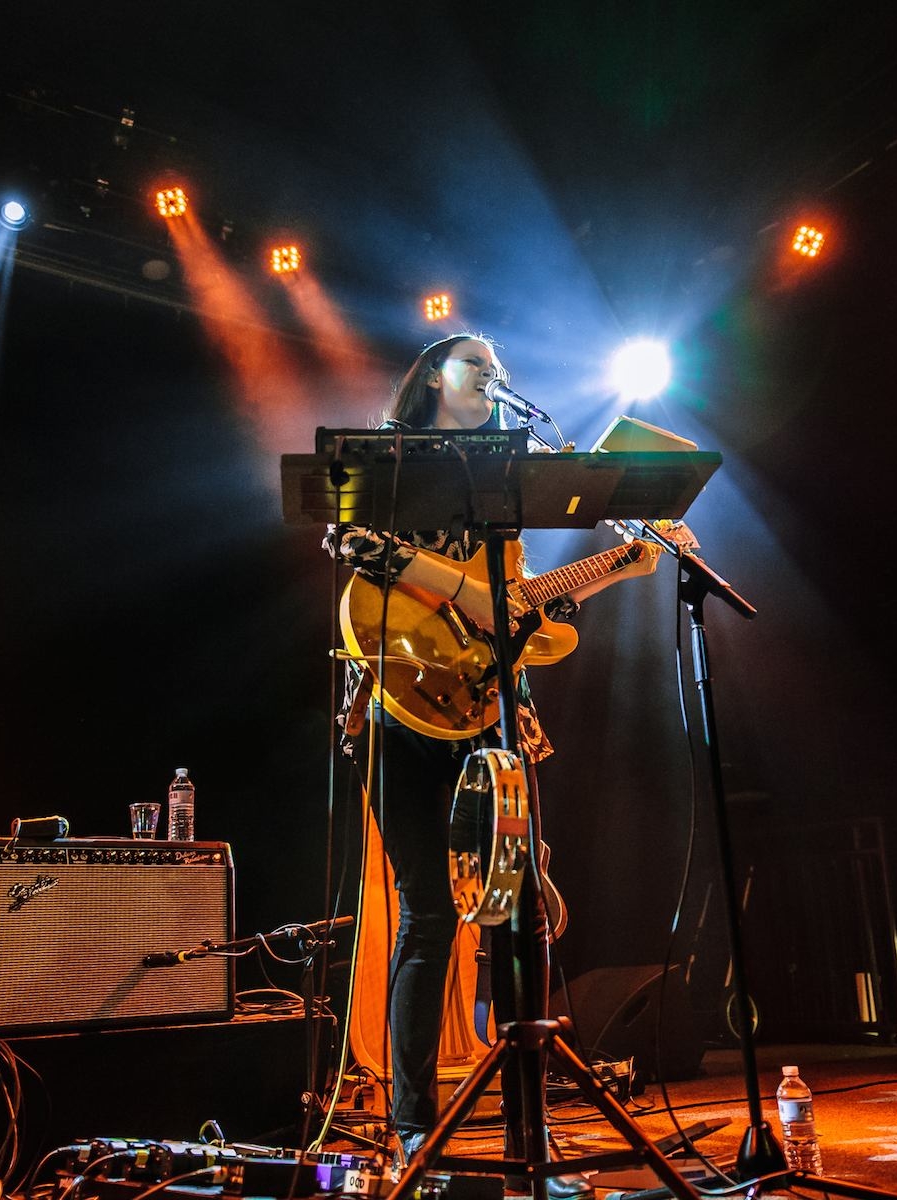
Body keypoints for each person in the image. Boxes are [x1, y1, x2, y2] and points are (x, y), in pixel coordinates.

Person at [325, 333, 668, 1181]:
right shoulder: (389, 455)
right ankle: (413, 1125)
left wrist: (619, 569)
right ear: (431, 377)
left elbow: (515, 609)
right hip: (399, 705)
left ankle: (525, 1131)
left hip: (483, 711)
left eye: (497, 365)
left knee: (513, 916)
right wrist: (468, 592)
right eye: (472, 361)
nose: (491, 371)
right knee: (427, 915)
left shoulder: (512, 469)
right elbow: (351, 547)